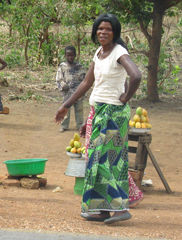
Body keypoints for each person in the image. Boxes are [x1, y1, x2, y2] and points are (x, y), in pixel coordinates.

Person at [55, 13, 141, 224]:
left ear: (115, 33)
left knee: (107, 160)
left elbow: (136, 75)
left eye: (108, 29)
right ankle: (101, 209)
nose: (103, 32)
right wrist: (67, 105)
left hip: (113, 113)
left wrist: (125, 97)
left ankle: (120, 207)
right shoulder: (99, 53)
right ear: (95, 32)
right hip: (99, 111)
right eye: (100, 29)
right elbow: (87, 83)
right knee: (97, 160)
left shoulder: (119, 52)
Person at [79, 107, 144, 209]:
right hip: (96, 114)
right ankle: (120, 198)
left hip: (106, 115)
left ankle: (119, 201)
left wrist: (66, 105)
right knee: (100, 159)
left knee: (102, 160)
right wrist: (87, 121)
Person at [56, 46, 86, 133]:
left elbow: (84, 79)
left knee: (79, 110)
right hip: (67, 93)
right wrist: (63, 85)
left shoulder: (79, 67)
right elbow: (59, 78)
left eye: (72, 55)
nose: (70, 57)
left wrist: (83, 90)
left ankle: (80, 125)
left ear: (75, 55)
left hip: (78, 93)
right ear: (65, 55)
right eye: (68, 55)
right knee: (66, 110)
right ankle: (64, 126)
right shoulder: (62, 66)